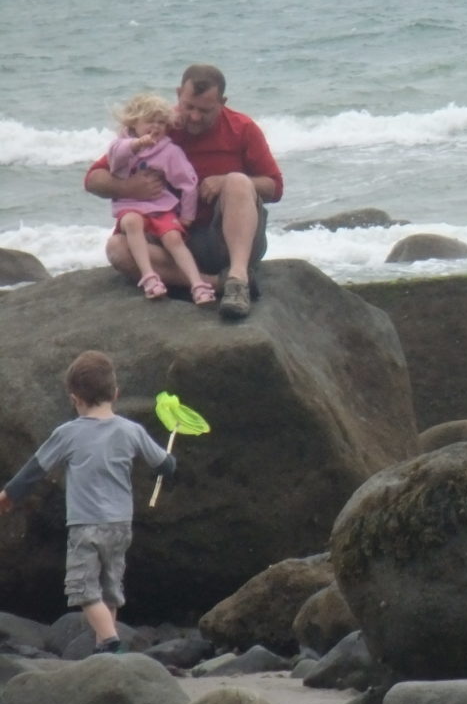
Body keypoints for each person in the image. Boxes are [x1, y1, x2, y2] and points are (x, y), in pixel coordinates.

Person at [0, 351, 176, 654]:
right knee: (110, 589)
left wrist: (8, 495)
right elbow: (165, 465)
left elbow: (35, 470)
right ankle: (103, 650)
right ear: (116, 394)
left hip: (86, 526)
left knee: (83, 591)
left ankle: (109, 640)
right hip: (120, 526)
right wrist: (169, 462)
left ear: (74, 398)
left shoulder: (68, 434)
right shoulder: (131, 430)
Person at [85, 64, 283, 321]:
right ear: (178, 94)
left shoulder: (242, 128)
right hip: (174, 240)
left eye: (205, 110)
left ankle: (237, 279)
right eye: (189, 107)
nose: (194, 117)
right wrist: (128, 187)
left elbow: (274, 187)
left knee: (238, 181)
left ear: (222, 102)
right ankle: (214, 284)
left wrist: (224, 181)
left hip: (226, 239)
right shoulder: (160, 126)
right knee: (117, 248)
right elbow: (93, 179)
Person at [105, 93, 214, 305]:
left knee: (173, 238)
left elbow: (189, 183)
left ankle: (198, 284)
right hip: (131, 206)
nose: (155, 127)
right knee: (131, 222)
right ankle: (149, 277)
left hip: (160, 206)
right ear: (133, 122)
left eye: (161, 123)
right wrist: (136, 145)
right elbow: (115, 159)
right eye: (149, 121)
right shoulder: (121, 144)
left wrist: (187, 216)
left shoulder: (169, 150)